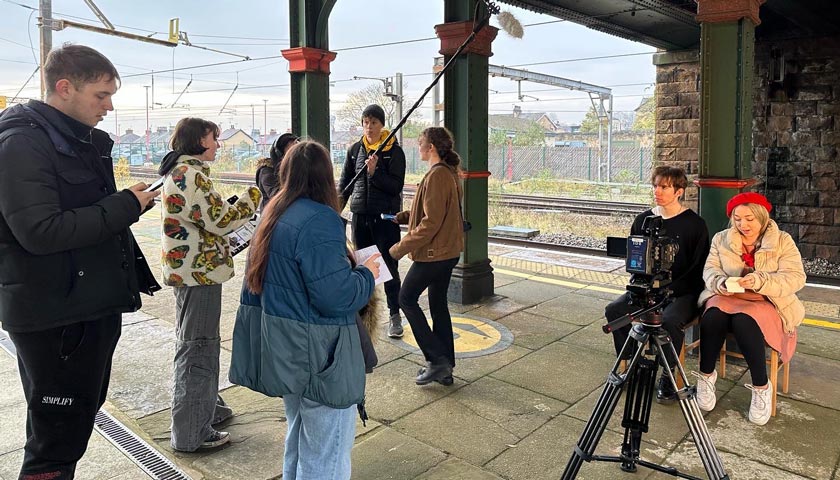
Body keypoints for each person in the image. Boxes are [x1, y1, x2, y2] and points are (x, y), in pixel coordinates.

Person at [0, 44, 160, 479]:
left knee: (69, 427)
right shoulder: (22, 143)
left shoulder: (72, 140)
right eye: (101, 95)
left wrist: (128, 202)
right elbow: (41, 231)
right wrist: (125, 205)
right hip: (57, 318)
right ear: (65, 88)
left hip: (78, 307)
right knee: (55, 442)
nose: (109, 106)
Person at [229, 140, 380, 480]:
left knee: (299, 437)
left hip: (285, 349)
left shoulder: (275, 212)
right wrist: (366, 274)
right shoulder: (319, 220)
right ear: (326, 176)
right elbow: (336, 297)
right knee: (327, 453)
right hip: (319, 353)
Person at [157, 117, 261, 452]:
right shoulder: (189, 175)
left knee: (195, 342)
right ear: (199, 140)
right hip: (198, 274)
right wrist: (253, 195)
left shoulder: (184, 171)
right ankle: (191, 433)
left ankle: (207, 410)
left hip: (192, 271)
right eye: (214, 137)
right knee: (199, 346)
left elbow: (205, 216)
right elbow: (219, 220)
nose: (217, 143)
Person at [694, 192, 805, 426]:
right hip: (728, 295)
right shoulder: (721, 238)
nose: (743, 224)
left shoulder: (782, 240)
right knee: (712, 317)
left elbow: (796, 277)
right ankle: (705, 377)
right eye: (737, 218)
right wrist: (720, 283)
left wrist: (761, 281)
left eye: (749, 219)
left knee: (744, 322)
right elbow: (710, 270)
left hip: (767, 300)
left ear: (762, 218)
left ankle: (761, 387)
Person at [604, 165, 710, 404]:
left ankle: (667, 374)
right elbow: (634, 260)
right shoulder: (643, 220)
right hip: (646, 289)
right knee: (614, 310)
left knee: (671, 321)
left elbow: (698, 267)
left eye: (664, 187)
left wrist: (671, 289)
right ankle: (632, 363)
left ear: (679, 191)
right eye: (655, 186)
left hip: (682, 292)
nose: (658, 191)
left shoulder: (695, 224)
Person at [389, 127, 465, 386]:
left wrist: (399, 248)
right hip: (448, 251)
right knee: (438, 303)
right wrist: (407, 216)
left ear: (430, 147)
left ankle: (436, 359)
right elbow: (437, 211)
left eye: (420, 143)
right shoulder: (447, 173)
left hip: (435, 254)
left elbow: (432, 223)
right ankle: (445, 366)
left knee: (406, 298)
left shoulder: (437, 176)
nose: (418, 147)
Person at [338, 104, 406, 338]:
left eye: (374, 123)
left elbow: (395, 186)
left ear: (382, 125)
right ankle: (363, 314)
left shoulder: (394, 152)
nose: (369, 127)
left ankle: (395, 316)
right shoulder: (355, 150)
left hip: (384, 219)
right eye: (366, 122)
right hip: (360, 217)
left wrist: (375, 172)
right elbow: (345, 183)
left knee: (387, 266)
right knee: (362, 266)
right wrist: (336, 207)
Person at [255, 132, 298, 211]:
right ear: (280, 154)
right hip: (273, 217)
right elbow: (277, 196)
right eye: (290, 152)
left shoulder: (295, 169)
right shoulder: (267, 171)